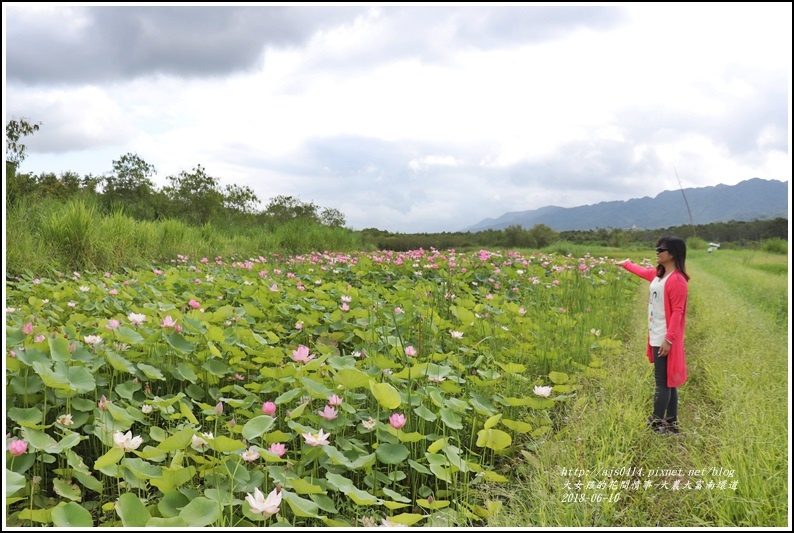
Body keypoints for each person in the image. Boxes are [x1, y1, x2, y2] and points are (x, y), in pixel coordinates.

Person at [617, 236, 690, 435]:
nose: (657, 252)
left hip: (664, 337)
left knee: (662, 382)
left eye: (661, 249)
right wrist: (626, 264)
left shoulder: (677, 280)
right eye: (656, 248)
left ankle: (657, 423)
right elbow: (643, 272)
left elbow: (678, 312)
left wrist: (669, 339)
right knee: (669, 382)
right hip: (657, 333)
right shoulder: (660, 276)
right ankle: (672, 422)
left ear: (673, 253)